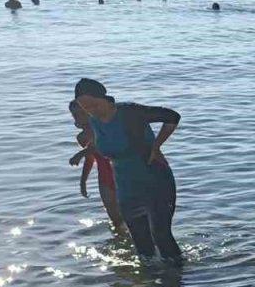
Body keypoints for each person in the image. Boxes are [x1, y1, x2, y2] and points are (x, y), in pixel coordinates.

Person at [73, 78, 183, 267]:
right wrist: (84, 153)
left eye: (93, 104)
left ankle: (178, 280)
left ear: (103, 97)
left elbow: (172, 116)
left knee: (162, 236)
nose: (91, 110)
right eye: (85, 107)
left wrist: (157, 146)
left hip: (155, 180)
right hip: (126, 186)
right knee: (142, 246)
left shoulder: (129, 112)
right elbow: (105, 146)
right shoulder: (94, 121)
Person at [68, 101, 124, 231]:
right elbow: (91, 158)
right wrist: (83, 181)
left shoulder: (104, 128)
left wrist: (81, 153)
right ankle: (123, 242)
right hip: (105, 177)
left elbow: (101, 148)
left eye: (82, 113)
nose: (79, 117)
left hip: (122, 173)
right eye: (75, 115)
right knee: (115, 220)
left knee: (132, 214)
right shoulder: (82, 137)